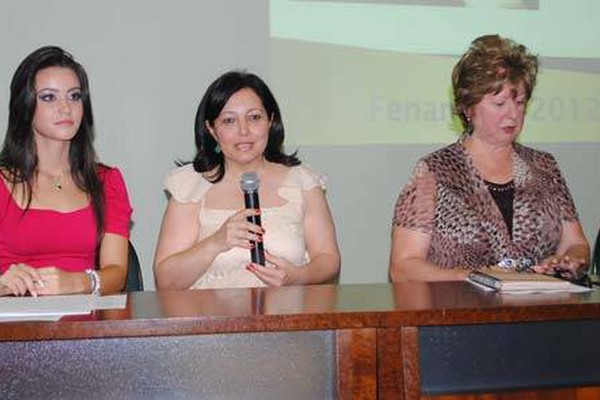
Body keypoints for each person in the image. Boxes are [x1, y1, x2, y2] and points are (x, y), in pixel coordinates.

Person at [390, 34, 589, 282]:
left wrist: (568, 260)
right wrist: (475, 277)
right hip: (462, 313)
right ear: (468, 107)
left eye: (519, 102)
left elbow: (576, 244)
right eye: (499, 103)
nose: (513, 114)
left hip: (541, 310)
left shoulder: (544, 166)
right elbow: (403, 267)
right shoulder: (434, 171)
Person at [154, 71, 340, 289]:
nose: (244, 131)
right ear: (212, 129)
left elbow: (328, 259)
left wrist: (297, 277)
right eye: (229, 121)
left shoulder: (303, 181)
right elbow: (166, 280)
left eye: (254, 117)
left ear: (271, 121)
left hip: (289, 315)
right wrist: (216, 241)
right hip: (214, 319)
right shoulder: (190, 186)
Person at [0, 46, 132, 296]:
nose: (66, 107)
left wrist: (78, 282)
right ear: (24, 106)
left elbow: (116, 272)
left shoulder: (107, 181)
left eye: (74, 96)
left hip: (84, 326)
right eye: (49, 97)